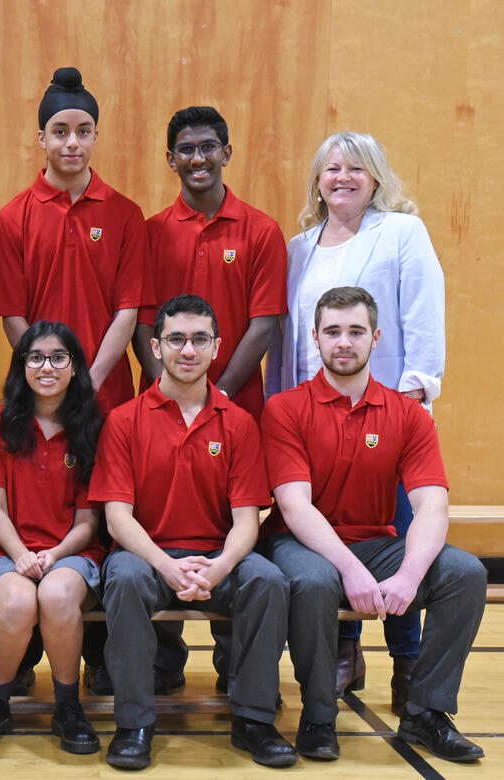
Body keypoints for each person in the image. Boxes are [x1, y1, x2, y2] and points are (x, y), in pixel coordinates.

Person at [264, 286, 485, 763]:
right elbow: (295, 506)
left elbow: (431, 505)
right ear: (316, 339)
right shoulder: (285, 409)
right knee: (315, 579)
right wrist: (351, 569)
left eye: (356, 331)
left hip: (375, 542)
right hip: (299, 544)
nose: (344, 342)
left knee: (465, 574)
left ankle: (425, 713)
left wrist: (407, 575)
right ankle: (319, 716)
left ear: (376, 337)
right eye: (333, 331)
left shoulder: (408, 414)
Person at [269, 131, 444, 708]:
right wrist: (282, 407)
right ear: (317, 181)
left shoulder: (401, 232)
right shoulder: (299, 247)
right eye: (331, 169)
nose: (342, 177)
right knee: (333, 536)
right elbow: (292, 339)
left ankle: (409, 661)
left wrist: (415, 392)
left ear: (376, 177)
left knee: (393, 536)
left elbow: (421, 312)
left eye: (355, 168)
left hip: (385, 412)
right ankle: (346, 645)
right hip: (313, 417)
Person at [89, 294, 295, 770]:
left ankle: (254, 721)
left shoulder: (239, 424)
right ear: (156, 347)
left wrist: (221, 567)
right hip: (146, 556)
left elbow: (248, 520)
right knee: (123, 578)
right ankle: (134, 724)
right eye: (176, 339)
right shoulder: (123, 421)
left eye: (200, 339)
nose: (188, 350)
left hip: (216, 556)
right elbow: (118, 519)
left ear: (217, 347)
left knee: (267, 580)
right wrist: (166, 565)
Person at [136, 105, 287, 694]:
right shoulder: (151, 230)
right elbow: (145, 321)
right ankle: (164, 660)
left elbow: (263, 322)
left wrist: (211, 394)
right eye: (185, 149)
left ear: (228, 152)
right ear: (170, 158)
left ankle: (234, 663)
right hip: (162, 410)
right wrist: (169, 392)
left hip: (237, 412)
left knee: (230, 524)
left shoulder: (261, 229)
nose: (197, 158)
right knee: (163, 516)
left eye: (208, 147)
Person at [0, 321, 104, 756]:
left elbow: (88, 521)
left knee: (58, 596)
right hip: (7, 550)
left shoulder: (94, 427)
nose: (46, 366)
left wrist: (54, 554)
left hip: (73, 551)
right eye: (35, 357)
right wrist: (22, 555)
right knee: (19, 601)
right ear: (21, 365)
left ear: (75, 367)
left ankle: (67, 707)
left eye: (59, 357)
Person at [0, 66, 149, 415]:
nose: (72, 142)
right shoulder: (12, 217)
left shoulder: (126, 214)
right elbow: (13, 316)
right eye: (60, 132)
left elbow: (127, 313)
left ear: (96, 136)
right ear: (41, 138)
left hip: (106, 393)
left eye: (83, 131)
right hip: (38, 394)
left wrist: (88, 383)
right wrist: (48, 379)